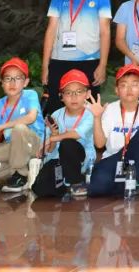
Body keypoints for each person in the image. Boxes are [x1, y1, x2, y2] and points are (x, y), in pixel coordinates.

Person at [42, 0, 112, 115]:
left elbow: (105, 32)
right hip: (59, 59)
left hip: (89, 61)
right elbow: (51, 30)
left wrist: (102, 65)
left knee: (89, 109)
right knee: (55, 107)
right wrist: (45, 65)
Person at [87, 65, 139, 197]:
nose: (129, 89)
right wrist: (97, 117)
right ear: (116, 90)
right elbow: (99, 144)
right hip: (115, 157)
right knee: (96, 188)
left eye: (135, 84)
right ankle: (126, 183)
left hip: (135, 159)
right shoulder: (110, 110)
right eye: (124, 85)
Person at [0, 57, 45, 193]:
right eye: (7, 78)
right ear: (1, 83)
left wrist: (3, 126)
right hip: (12, 146)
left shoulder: (30, 95)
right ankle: (25, 169)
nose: (12, 83)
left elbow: (31, 117)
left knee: (19, 128)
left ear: (26, 82)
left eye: (18, 78)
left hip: (35, 144)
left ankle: (19, 175)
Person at [32, 69, 94, 199]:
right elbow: (50, 150)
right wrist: (53, 136)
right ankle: (64, 185)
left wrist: (53, 138)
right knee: (40, 188)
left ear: (87, 94)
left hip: (81, 161)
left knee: (67, 144)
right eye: (68, 92)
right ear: (61, 96)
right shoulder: (57, 114)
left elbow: (76, 134)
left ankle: (77, 182)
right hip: (59, 160)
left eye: (79, 92)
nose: (74, 97)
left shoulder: (91, 114)